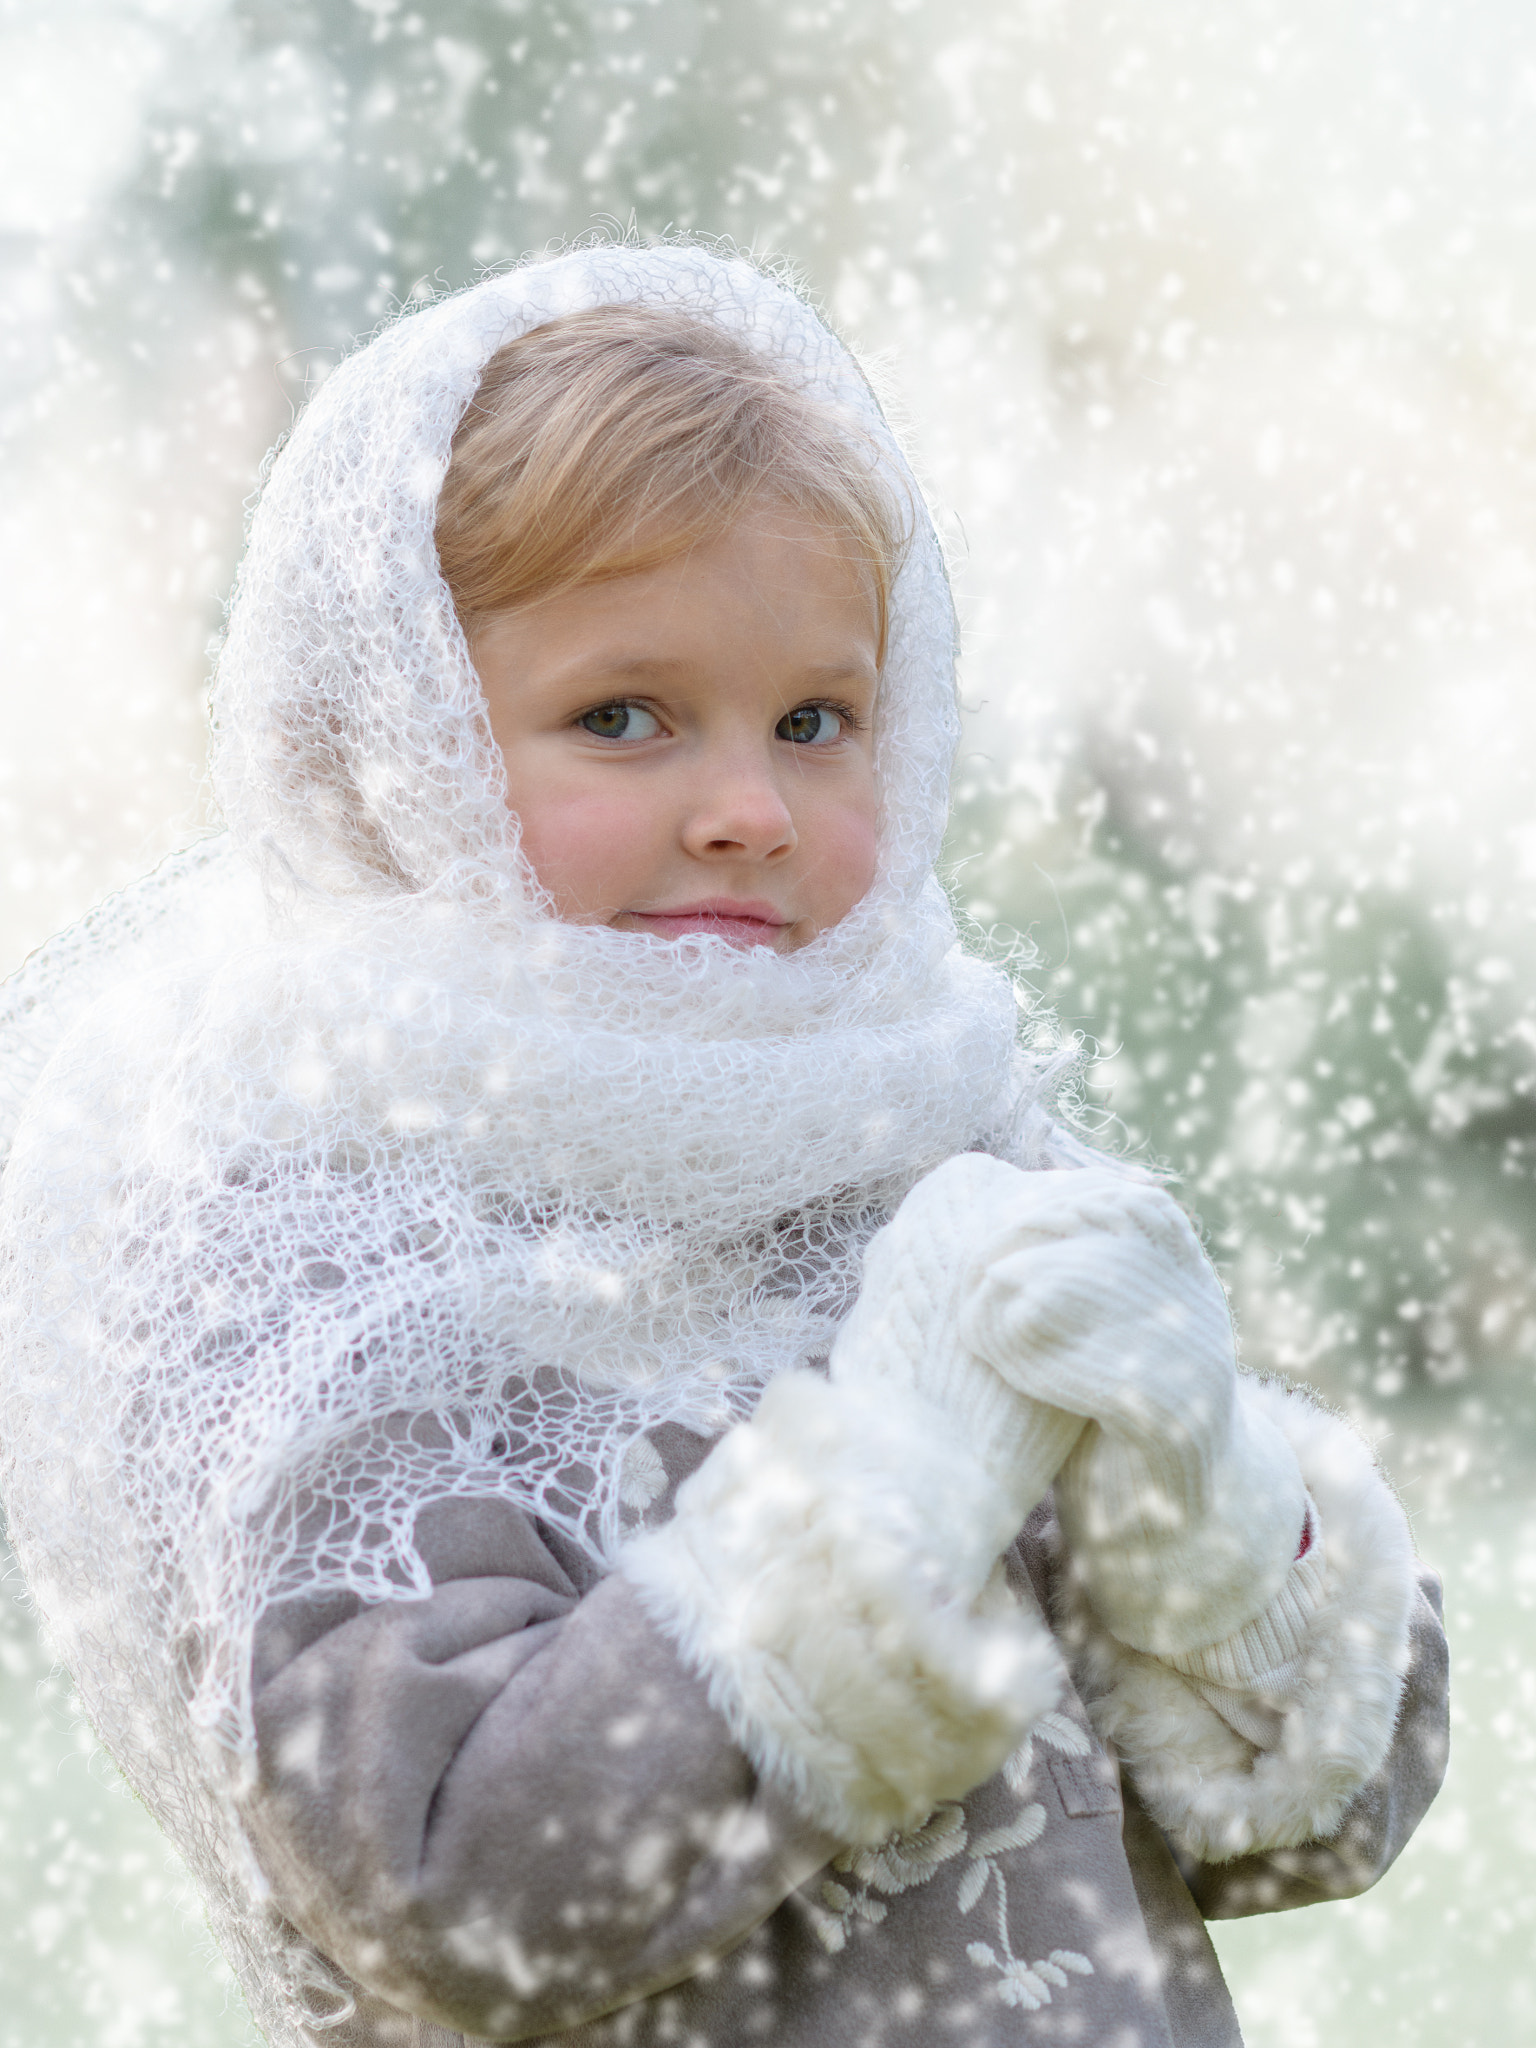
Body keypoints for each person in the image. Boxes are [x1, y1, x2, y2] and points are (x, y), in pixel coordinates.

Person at [0, 242, 1446, 2048]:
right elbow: (450, 1890)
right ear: (395, 744)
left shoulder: (927, 1118)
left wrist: (1212, 1511)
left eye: (817, 721)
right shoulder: (304, 1215)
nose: (751, 809)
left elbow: (1319, 1828)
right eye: (623, 717)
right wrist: (899, 1485)